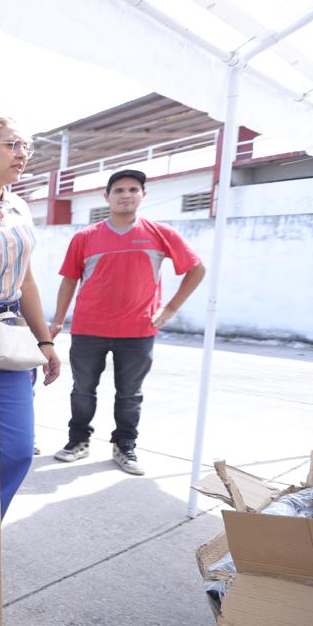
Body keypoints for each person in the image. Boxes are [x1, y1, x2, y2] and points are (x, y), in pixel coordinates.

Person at [50, 169, 206, 475]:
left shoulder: (160, 233)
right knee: (82, 390)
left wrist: (171, 308)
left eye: (133, 189)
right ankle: (78, 441)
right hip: (88, 328)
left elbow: (196, 269)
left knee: (130, 394)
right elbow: (69, 281)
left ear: (143, 195)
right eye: (119, 190)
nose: (126, 195)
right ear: (106, 197)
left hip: (137, 331)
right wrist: (57, 321)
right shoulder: (85, 237)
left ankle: (124, 446)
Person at [0, 117, 60, 518]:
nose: (22, 154)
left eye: (26, 147)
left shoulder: (19, 206)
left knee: (16, 449)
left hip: (8, 332)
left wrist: (45, 340)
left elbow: (27, 279)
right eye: (11, 144)